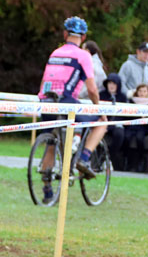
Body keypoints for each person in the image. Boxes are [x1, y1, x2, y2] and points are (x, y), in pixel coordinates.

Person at [38, 16, 108, 193]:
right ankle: (84, 158)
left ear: (65, 34)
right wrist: (99, 108)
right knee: (101, 123)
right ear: (83, 37)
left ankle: (47, 188)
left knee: (51, 142)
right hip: (66, 101)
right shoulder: (84, 55)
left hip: (46, 101)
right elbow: (92, 89)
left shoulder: (55, 52)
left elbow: (44, 80)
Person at [99, 73, 129, 171]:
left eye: (114, 83)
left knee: (119, 134)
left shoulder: (123, 97)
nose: (111, 86)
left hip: (117, 124)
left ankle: (109, 158)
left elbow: (124, 114)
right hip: (102, 122)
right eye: (109, 83)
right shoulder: (101, 95)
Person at [123, 83, 148, 172]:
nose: (142, 93)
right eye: (140, 91)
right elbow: (127, 116)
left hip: (143, 127)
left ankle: (140, 161)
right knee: (127, 137)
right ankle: (127, 161)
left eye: (144, 91)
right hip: (131, 125)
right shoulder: (131, 101)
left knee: (140, 139)